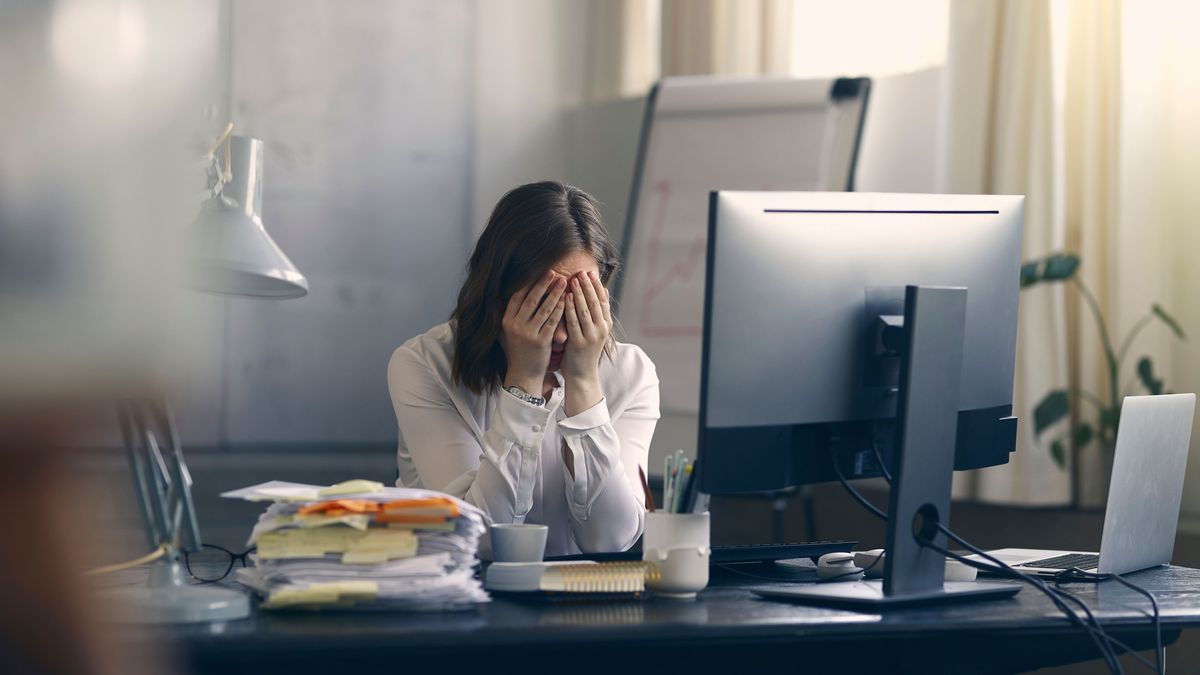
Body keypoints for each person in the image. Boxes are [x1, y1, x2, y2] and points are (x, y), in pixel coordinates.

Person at [387, 181, 660, 556]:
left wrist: (583, 384)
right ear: (496, 293)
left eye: (578, 305)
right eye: (543, 306)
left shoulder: (631, 373)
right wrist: (524, 384)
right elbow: (481, 539)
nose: (562, 333)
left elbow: (609, 540)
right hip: (458, 598)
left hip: (581, 606)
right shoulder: (423, 364)